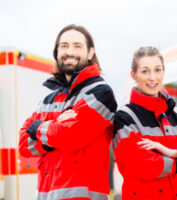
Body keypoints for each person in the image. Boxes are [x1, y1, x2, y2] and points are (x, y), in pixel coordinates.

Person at [19, 24, 117, 200]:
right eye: (64, 46)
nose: (69, 51)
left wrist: (39, 128)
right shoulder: (48, 100)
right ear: (57, 52)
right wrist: (55, 128)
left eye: (77, 46)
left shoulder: (101, 93)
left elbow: (71, 136)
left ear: (90, 52)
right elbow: (23, 145)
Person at [113, 46, 177, 200]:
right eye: (145, 71)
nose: (152, 77)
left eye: (157, 70)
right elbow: (144, 166)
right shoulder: (125, 118)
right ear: (133, 75)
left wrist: (175, 152)